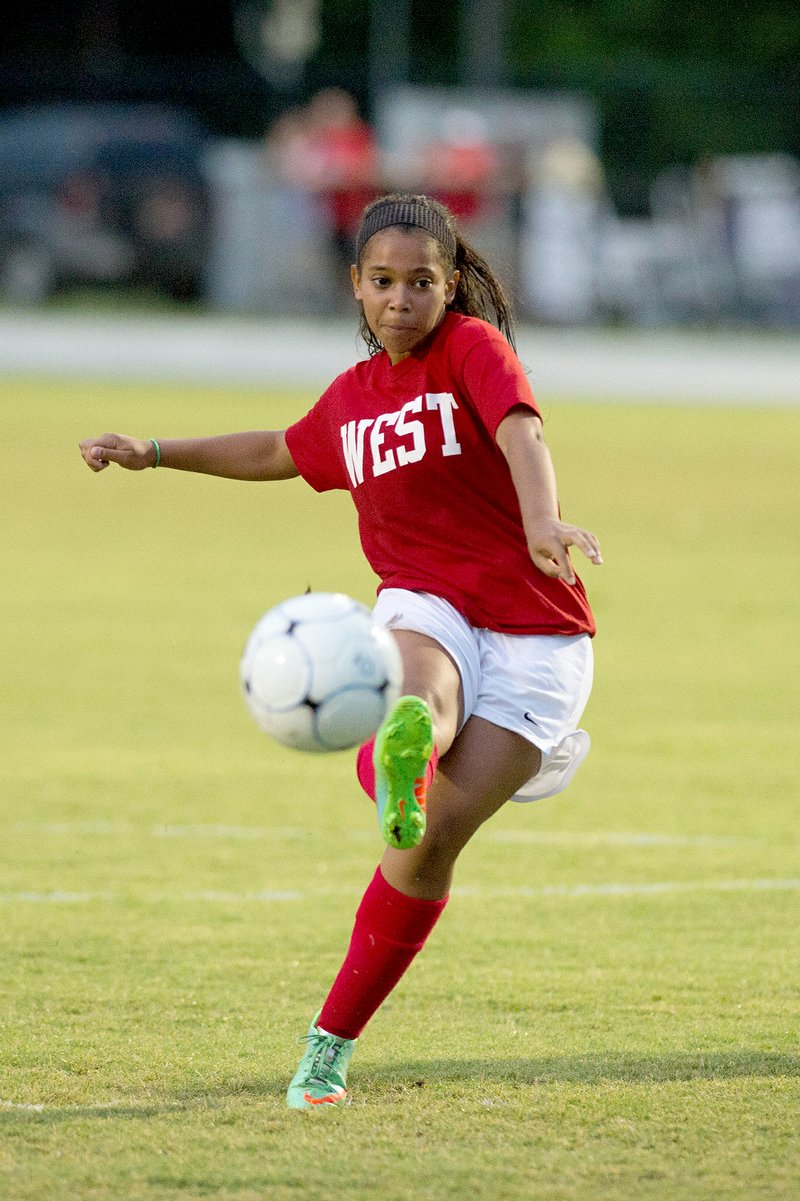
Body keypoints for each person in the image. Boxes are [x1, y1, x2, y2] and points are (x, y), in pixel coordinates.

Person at [79, 192, 603, 1110]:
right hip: (425, 601)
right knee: (420, 694)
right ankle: (328, 1045)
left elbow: (523, 429)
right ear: (355, 286)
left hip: (535, 630)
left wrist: (541, 520)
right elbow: (278, 450)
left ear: (452, 287)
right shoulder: (354, 399)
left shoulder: (473, 351)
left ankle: (390, 790)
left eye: (422, 283)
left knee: (429, 842)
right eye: (383, 281)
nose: (402, 299)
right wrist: (152, 450)